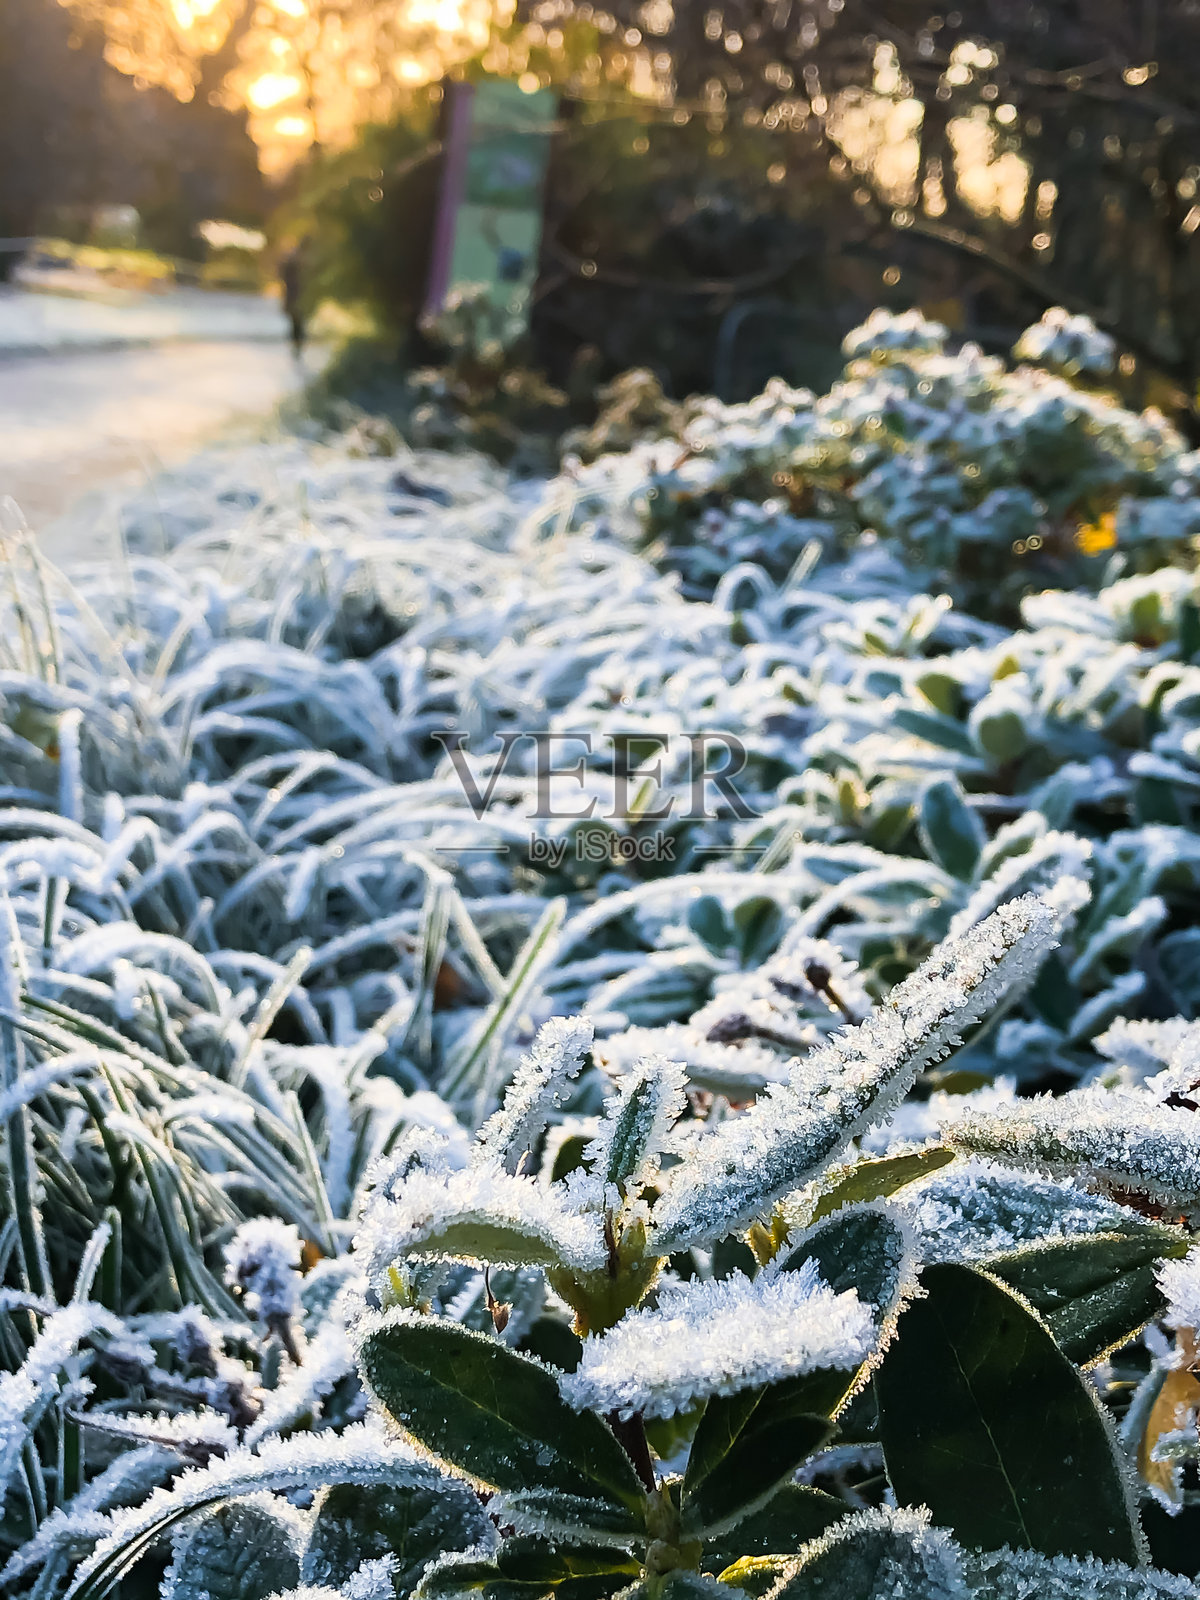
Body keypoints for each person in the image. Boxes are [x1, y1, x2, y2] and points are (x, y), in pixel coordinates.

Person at [280, 244, 307, 359]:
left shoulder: (298, 268)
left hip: (298, 300)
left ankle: (297, 347)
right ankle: (297, 347)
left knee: (297, 324)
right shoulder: (297, 268)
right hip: (296, 300)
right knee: (297, 324)